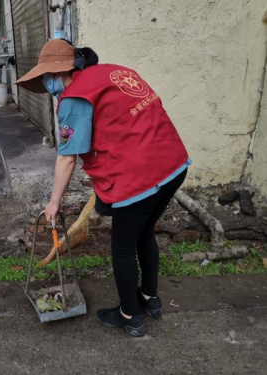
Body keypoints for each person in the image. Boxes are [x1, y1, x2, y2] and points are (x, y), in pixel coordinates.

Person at [16, 39, 190, 337]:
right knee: (144, 233)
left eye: (47, 77)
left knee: (122, 249)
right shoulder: (115, 72)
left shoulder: (75, 98)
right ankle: (150, 298)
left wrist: (54, 201)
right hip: (174, 164)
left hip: (138, 180)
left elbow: (68, 157)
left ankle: (129, 315)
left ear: (58, 72)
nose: (47, 85)